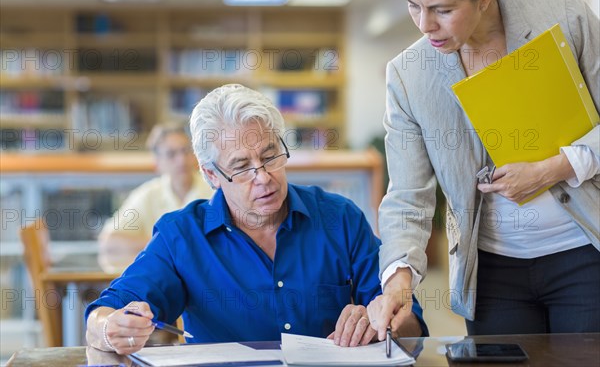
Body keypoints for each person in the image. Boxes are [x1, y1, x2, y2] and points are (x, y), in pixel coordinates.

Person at [85, 84, 428, 355]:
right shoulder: (182, 236)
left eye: (270, 156)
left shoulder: (340, 218)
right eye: (241, 167)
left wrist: (384, 320)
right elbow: (104, 314)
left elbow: (410, 329)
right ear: (211, 174)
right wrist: (111, 327)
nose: (263, 177)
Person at [368, 0, 599, 339]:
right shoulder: (409, 77)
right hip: (491, 272)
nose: (425, 25)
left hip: (584, 252)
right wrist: (398, 278)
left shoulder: (565, 17)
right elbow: (408, 196)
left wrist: (555, 168)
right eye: (413, 6)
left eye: (442, 10)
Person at [97, 122, 214, 273]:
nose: (181, 160)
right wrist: (165, 244)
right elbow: (109, 242)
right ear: (157, 162)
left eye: (185, 151)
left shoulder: (214, 189)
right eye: (171, 154)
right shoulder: (147, 195)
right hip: (163, 276)